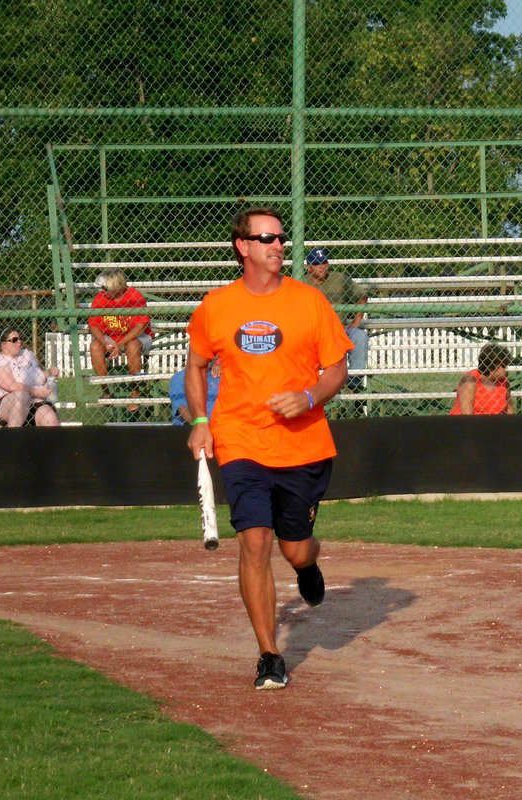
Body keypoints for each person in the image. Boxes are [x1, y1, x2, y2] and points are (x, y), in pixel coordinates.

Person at [185, 207, 353, 690]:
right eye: (267, 238)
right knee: (254, 541)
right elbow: (196, 365)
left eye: (282, 238)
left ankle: (309, 563)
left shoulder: (310, 303)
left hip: (304, 444)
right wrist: (200, 420)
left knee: (294, 549)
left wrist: (307, 397)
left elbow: (337, 370)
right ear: (243, 246)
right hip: (241, 439)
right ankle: (269, 655)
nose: (279, 246)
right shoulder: (217, 305)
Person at [304, 248, 368, 390]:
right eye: (316, 264)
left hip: (340, 332)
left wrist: (355, 323)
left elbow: (362, 297)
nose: (322, 267)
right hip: (314, 335)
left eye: (324, 262)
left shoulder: (339, 278)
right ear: (309, 268)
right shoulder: (302, 283)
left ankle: (354, 382)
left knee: (359, 335)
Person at [88, 268, 153, 408]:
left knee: (133, 346)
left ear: (115, 286)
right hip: (110, 337)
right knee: (95, 346)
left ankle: (135, 392)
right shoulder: (100, 298)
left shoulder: (134, 296)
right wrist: (104, 342)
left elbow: (140, 327)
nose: (101, 292)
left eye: (105, 288)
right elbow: (93, 325)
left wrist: (120, 343)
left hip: (137, 337)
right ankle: (106, 391)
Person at [0, 328, 60, 427]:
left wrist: (50, 373)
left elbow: (37, 375)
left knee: (49, 417)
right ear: (3, 345)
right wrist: (37, 392)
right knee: (21, 396)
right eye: (15, 340)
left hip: (35, 402)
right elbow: (11, 386)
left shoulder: (26, 355)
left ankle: (48, 442)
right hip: (5, 405)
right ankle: (13, 439)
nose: (19, 342)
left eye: (19, 338)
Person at [450, 343, 514, 415]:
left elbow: (510, 410)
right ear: (490, 365)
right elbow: (466, 414)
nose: (505, 369)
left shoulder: (504, 382)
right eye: (503, 365)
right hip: (470, 423)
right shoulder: (471, 379)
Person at [168, 357, 221, 425]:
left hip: (218, 427)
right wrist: (202, 426)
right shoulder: (180, 377)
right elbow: (182, 410)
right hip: (188, 429)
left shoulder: (217, 376)